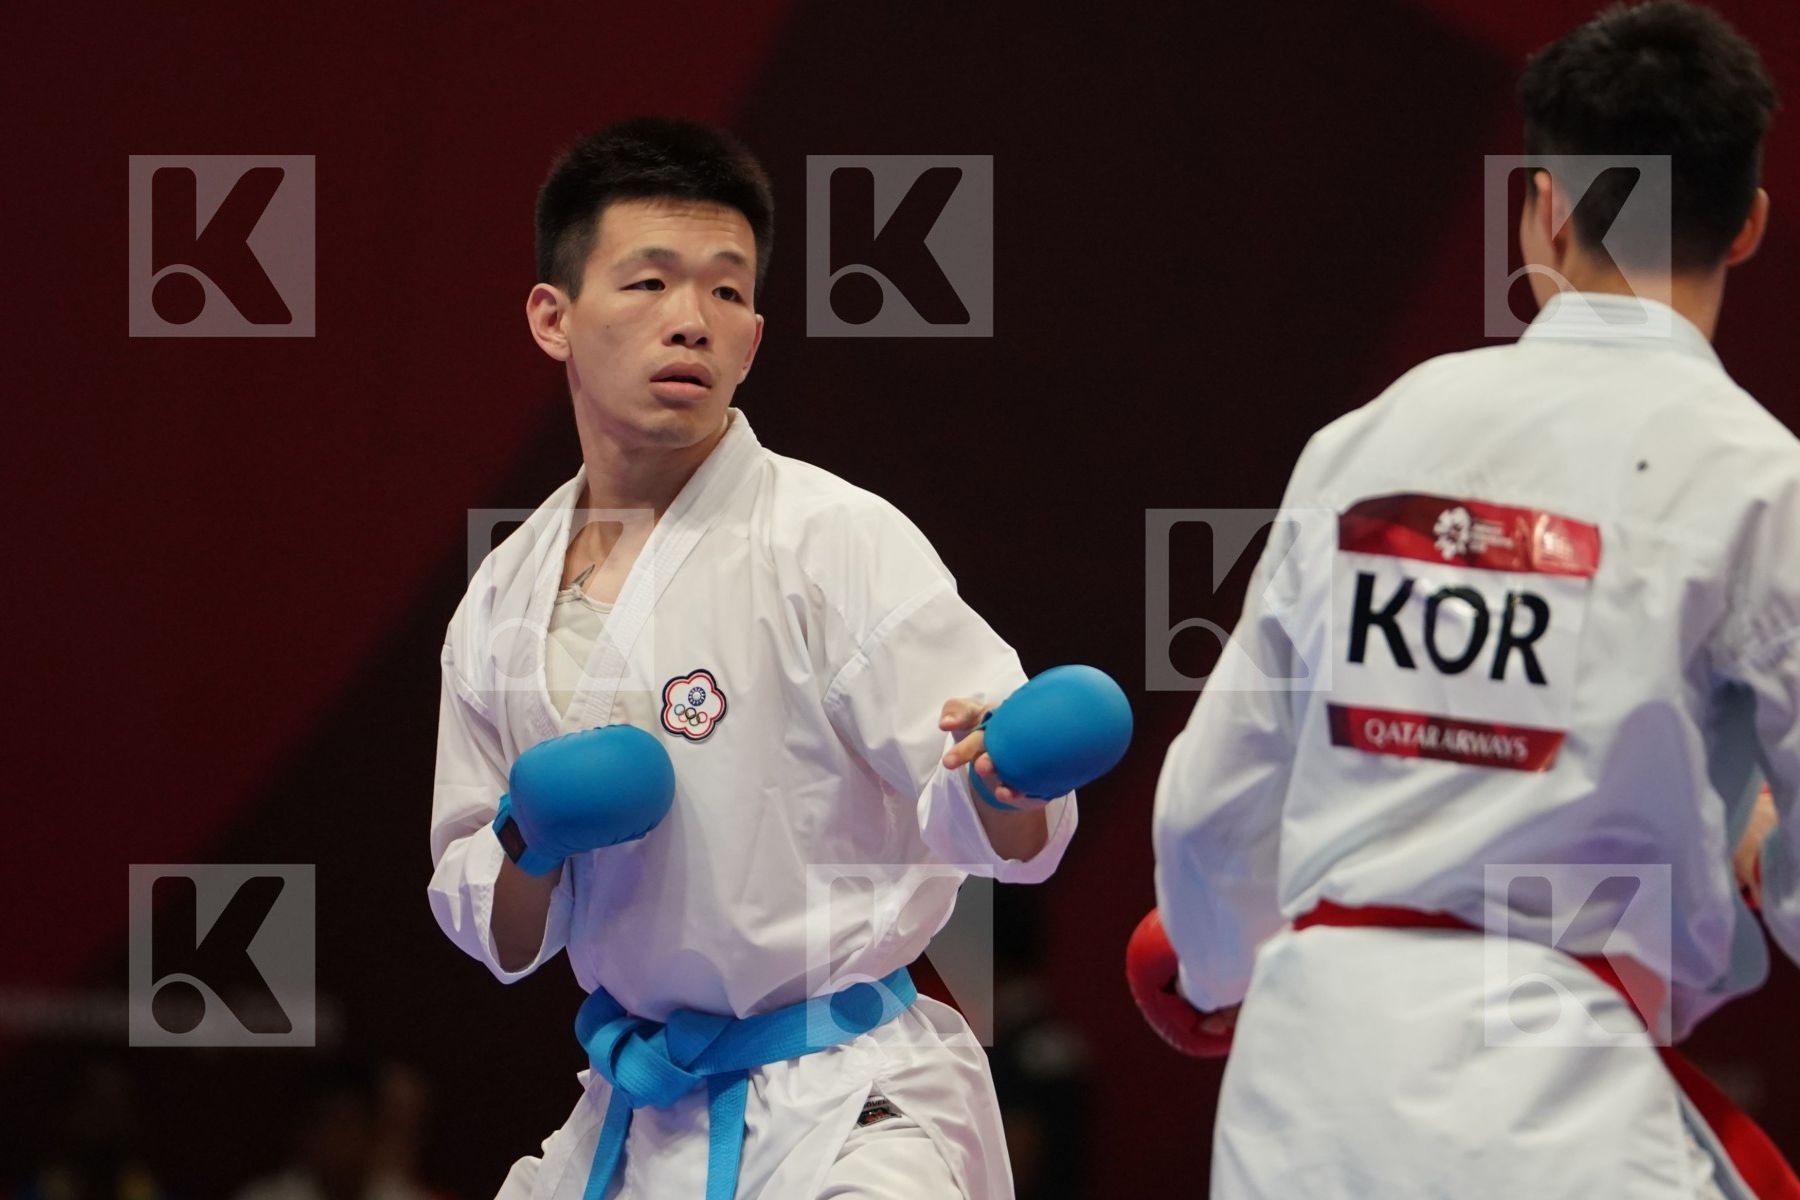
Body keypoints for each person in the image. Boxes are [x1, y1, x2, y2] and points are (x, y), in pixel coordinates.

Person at [1139, 3, 1798, 1197]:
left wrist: (1211, 961)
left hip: (1303, 1102)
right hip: (1558, 1101)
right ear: (1748, 226)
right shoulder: (1760, 483)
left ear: (1541, 205)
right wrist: (1764, 860)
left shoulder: (1371, 439)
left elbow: (1216, 798)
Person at [426, 116, 1078, 1200]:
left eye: (726, 292)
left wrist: (1005, 778)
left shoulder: (834, 539)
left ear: (755, 338)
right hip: (636, 1111)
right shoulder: (498, 601)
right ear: (554, 316)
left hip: (848, 1106)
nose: (692, 321)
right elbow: (489, 925)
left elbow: (1002, 822)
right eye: (648, 284)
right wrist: (527, 838)